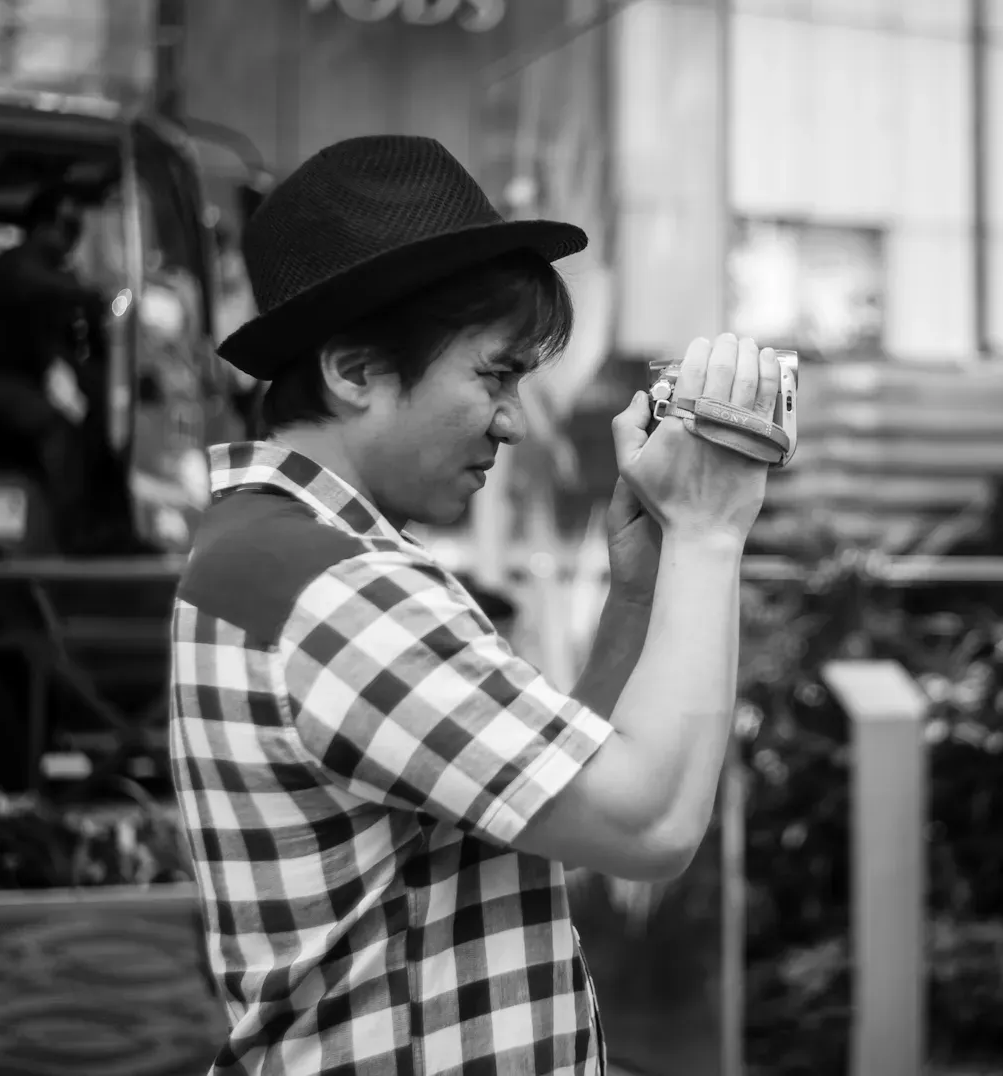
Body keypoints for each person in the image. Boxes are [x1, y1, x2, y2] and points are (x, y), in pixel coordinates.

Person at [168, 134, 775, 1075]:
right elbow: (648, 826)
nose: (517, 421)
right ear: (355, 369)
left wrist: (642, 591)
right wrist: (710, 530)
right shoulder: (336, 590)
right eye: (495, 374)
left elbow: (551, 807)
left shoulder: (269, 553)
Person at [0, 186, 105, 548]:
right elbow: (45, 288)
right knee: (57, 431)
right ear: (42, 226)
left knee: (80, 421)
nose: (72, 237)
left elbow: (57, 344)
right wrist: (91, 295)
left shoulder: (43, 271)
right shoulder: (17, 264)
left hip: (18, 383)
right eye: (67, 226)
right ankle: (69, 538)